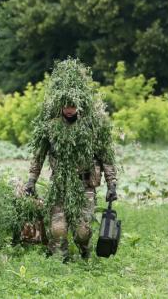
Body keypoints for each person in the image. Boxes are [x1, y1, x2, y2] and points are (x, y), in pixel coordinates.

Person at [23, 59, 118, 261]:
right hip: (59, 184)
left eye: (72, 105)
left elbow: (106, 158)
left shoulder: (92, 127)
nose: (69, 109)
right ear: (60, 105)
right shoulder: (50, 126)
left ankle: (85, 252)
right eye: (65, 105)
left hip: (85, 185)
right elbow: (38, 155)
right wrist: (31, 180)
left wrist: (112, 185)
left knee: (82, 231)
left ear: (79, 104)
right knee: (58, 229)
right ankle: (61, 261)